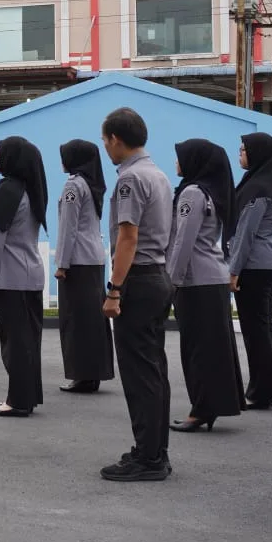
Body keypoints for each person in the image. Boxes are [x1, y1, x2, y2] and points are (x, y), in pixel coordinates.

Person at [99, 107, 174, 481]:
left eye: (106, 141)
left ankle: (148, 458)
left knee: (139, 373)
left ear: (115, 139)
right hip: (157, 274)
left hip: (138, 278)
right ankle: (154, 450)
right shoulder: (158, 174)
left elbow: (128, 236)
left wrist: (114, 290)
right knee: (154, 369)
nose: (106, 148)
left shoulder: (129, 179)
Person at [167, 139, 244, 433]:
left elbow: (182, 242)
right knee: (213, 348)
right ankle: (208, 406)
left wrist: (171, 282)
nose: (176, 163)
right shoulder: (208, 191)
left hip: (195, 280)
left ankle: (201, 409)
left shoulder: (191, 194)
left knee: (198, 349)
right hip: (212, 278)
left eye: (180, 157)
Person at [0, 136, 48, 417]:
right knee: (29, 341)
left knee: (15, 342)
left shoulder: (6, 192)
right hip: (31, 273)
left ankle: (17, 400)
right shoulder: (30, 189)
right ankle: (27, 395)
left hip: (10, 275)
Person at [228, 132, 272, 410]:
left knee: (255, 330)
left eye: (243, 150)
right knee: (265, 327)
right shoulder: (270, 184)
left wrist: (233, 271)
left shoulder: (258, 189)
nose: (240, 154)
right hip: (270, 261)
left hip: (254, 265)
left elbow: (245, 233)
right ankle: (269, 386)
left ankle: (260, 390)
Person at [55, 139, 114, 394]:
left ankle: (82, 374)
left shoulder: (73, 186)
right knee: (92, 321)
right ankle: (93, 373)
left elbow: (68, 228)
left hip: (77, 259)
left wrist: (61, 263)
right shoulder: (92, 185)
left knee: (76, 321)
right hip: (94, 258)